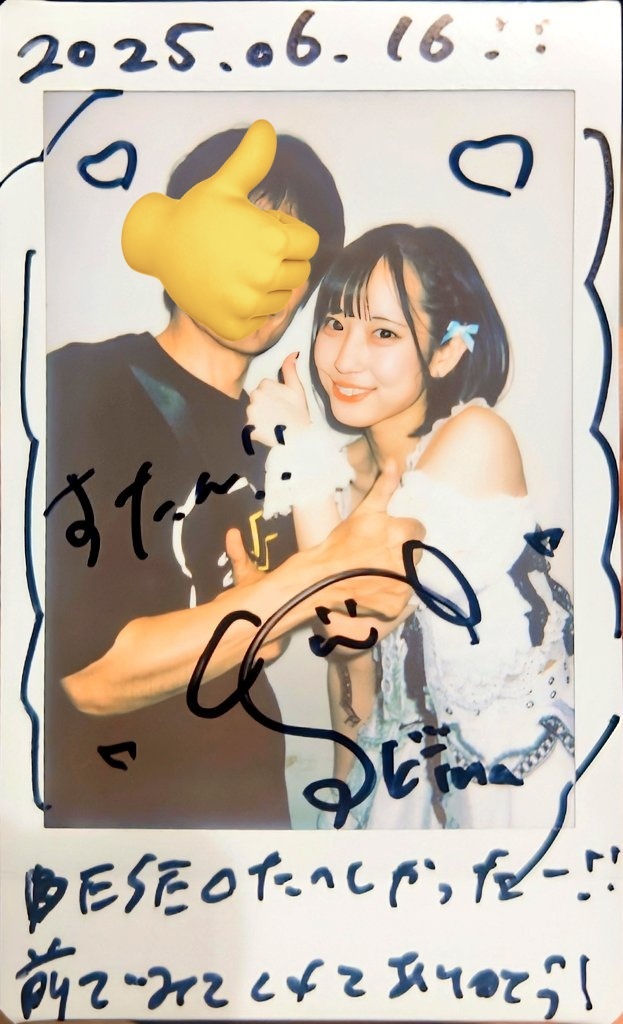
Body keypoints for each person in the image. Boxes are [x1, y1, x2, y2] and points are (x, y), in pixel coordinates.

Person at [44, 132, 420, 829]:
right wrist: (287, 595)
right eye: (249, 235)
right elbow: (88, 676)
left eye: (293, 257)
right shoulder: (80, 385)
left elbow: (339, 636)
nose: (268, 273)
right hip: (116, 832)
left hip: (251, 819)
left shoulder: (277, 439)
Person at [248, 223, 575, 829]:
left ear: (446, 352)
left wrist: (296, 449)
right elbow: (350, 668)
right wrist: (343, 814)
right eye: (335, 323)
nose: (344, 359)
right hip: (408, 792)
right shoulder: (339, 475)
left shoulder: (475, 438)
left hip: (513, 786)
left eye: (383, 333)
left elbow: (354, 609)